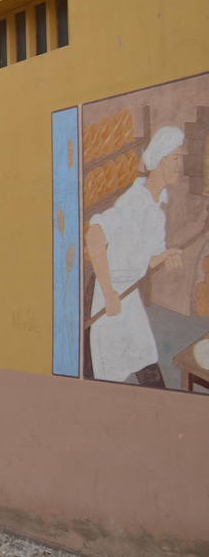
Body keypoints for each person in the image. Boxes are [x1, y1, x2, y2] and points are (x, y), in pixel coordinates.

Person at [86, 125, 186, 384]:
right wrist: (109, 293)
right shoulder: (135, 201)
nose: (180, 165)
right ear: (161, 159)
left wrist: (165, 256)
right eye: (176, 158)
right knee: (104, 372)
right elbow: (94, 235)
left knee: (144, 357)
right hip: (106, 290)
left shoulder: (157, 210)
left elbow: (146, 259)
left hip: (127, 293)